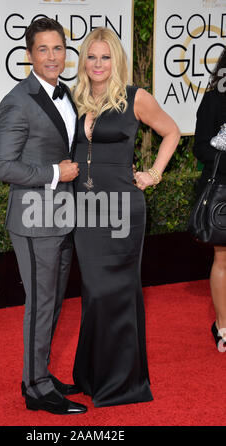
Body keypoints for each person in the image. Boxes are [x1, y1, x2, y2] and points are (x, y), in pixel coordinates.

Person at [72, 27, 180, 407]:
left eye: (105, 57)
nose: (98, 64)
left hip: (121, 211)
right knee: (92, 294)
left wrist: (153, 174)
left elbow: (172, 132)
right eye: (91, 56)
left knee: (113, 293)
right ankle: (91, 375)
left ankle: (121, 384)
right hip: (84, 213)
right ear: (83, 61)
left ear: (116, 60)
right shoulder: (75, 98)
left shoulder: (135, 98)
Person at [0, 18, 87, 415]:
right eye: (43, 50)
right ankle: (35, 388)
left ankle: (41, 374)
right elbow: (3, 166)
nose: (52, 57)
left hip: (62, 215)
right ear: (29, 55)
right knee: (41, 303)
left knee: (53, 303)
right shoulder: (19, 100)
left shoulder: (67, 94)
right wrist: (54, 173)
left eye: (58, 48)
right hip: (33, 220)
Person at [192, 46, 226, 351]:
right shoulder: (215, 98)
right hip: (224, 192)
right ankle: (223, 327)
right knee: (224, 259)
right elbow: (200, 147)